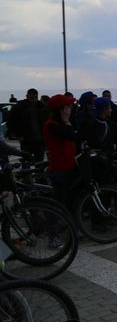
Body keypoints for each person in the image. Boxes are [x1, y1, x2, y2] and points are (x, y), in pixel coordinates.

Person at [42, 95, 78, 239]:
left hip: (69, 165)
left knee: (70, 201)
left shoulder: (60, 123)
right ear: (60, 109)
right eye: (67, 106)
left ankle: (71, 229)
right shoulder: (51, 125)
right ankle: (53, 236)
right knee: (58, 203)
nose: (70, 108)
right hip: (59, 168)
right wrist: (67, 120)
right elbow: (70, 136)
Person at [7, 88, 48, 161]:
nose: (34, 100)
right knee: (26, 159)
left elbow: (46, 120)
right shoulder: (19, 107)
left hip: (40, 139)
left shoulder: (41, 106)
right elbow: (11, 121)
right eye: (31, 98)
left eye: (35, 97)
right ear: (27, 96)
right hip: (26, 138)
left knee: (39, 160)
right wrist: (18, 135)